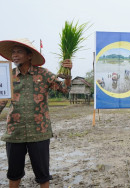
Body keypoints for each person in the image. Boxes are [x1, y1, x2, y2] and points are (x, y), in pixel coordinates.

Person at [0, 38, 72, 188]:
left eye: (19, 52)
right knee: (14, 174)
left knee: (43, 176)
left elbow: (65, 90)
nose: (15, 55)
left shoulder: (44, 74)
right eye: (13, 52)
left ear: (29, 55)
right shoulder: (8, 75)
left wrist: (68, 74)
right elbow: (1, 103)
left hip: (39, 132)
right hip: (15, 132)